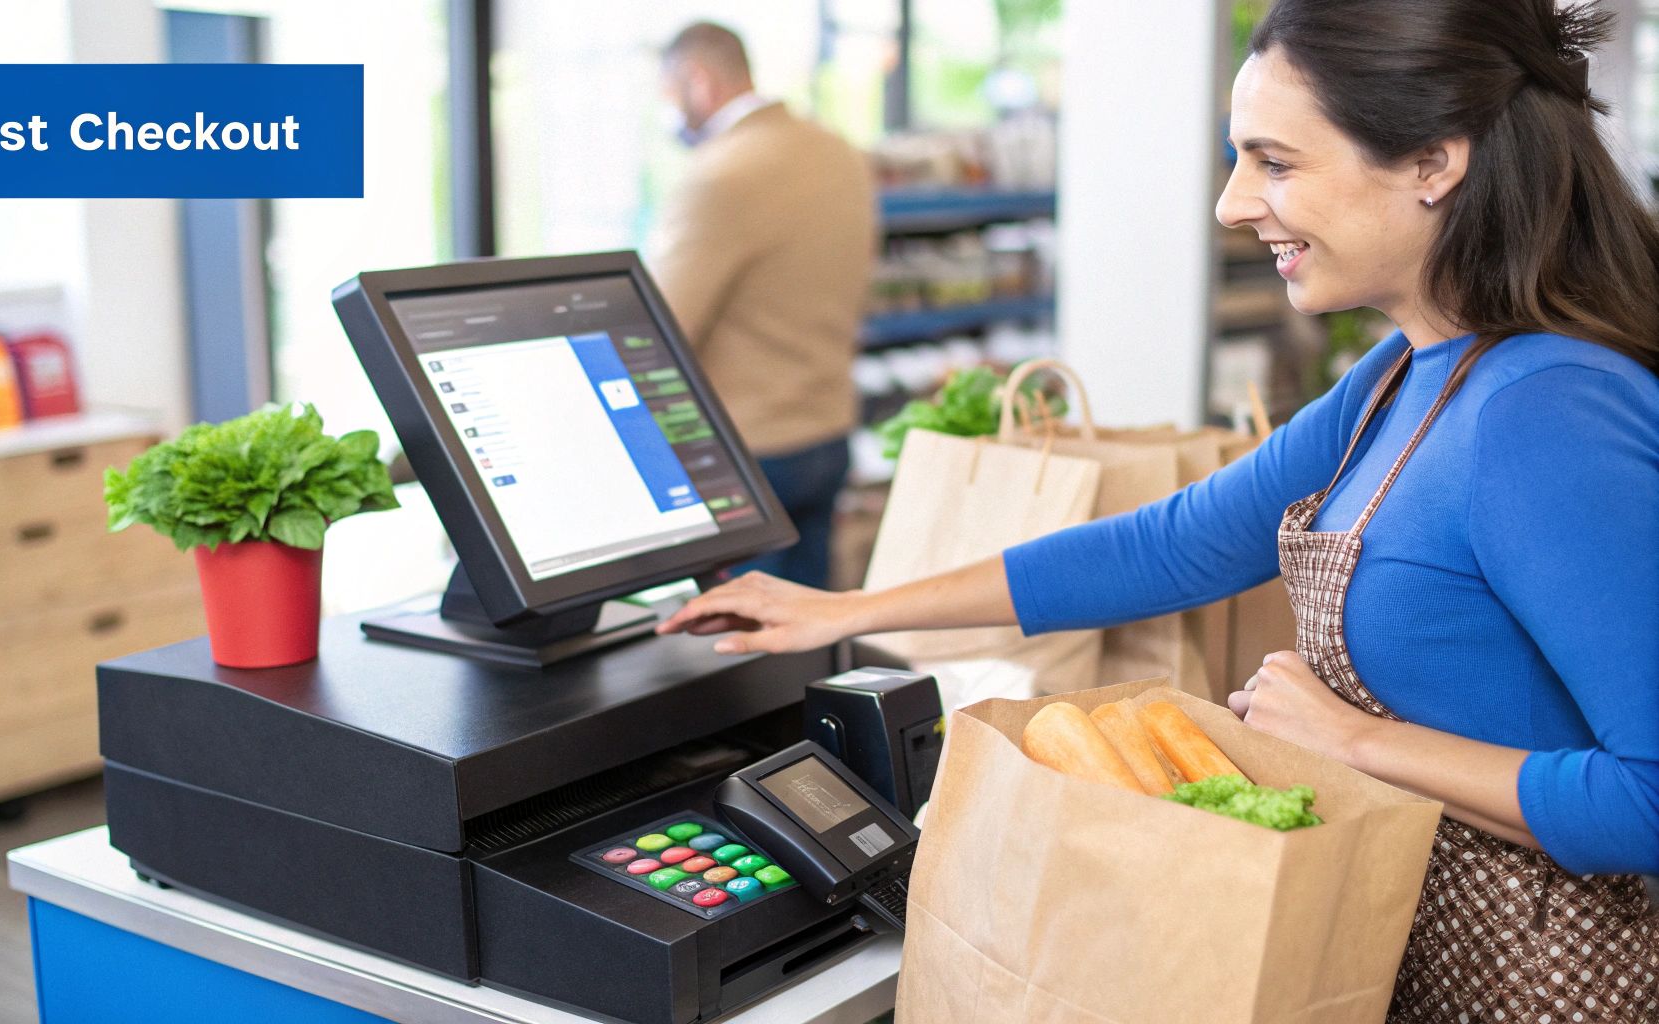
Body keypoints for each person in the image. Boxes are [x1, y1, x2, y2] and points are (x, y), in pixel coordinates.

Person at [658, 0, 1659, 1019]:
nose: (1231, 203)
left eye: (1274, 163)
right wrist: (844, 610)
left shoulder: (1546, 408)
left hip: (1536, 987)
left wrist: (1351, 741)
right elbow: (1173, 544)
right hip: (1397, 951)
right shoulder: (1401, 380)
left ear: (1431, 164)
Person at [648, 21, 876, 590]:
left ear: (699, 80)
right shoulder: (836, 151)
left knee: (743, 630)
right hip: (828, 428)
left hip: (749, 451)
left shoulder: (719, 174)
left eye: (668, 92)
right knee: (809, 623)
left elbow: (658, 331)